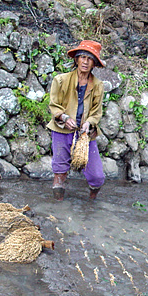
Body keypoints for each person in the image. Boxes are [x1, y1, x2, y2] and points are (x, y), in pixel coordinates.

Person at [46, 40, 106, 201]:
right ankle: (58, 209)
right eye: (83, 57)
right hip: (62, 130)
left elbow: (96, 112)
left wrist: (89, 123)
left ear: (94, 63)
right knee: (60, 172)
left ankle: (91, 204)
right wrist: (64, 117)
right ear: (76, 59)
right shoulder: (61, 80)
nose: (85, 62)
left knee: (97, 176)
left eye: (90, 59)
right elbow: (54, 105)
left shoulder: (98, 85)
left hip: (85, 135)